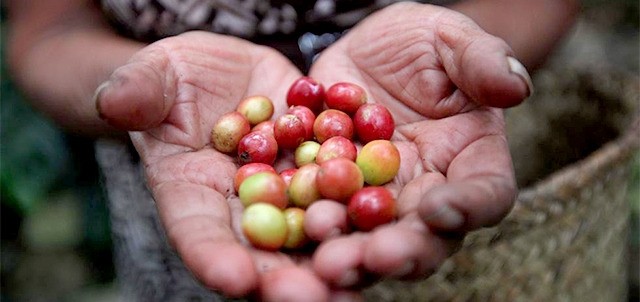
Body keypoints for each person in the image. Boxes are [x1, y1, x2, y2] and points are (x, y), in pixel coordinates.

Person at [5, 0, 579, 301]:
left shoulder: (337, 142)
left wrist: (457, 57)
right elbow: (47, 30)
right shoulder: (262, 147)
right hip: (170, 183)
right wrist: (139, 86)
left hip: (435, 165)